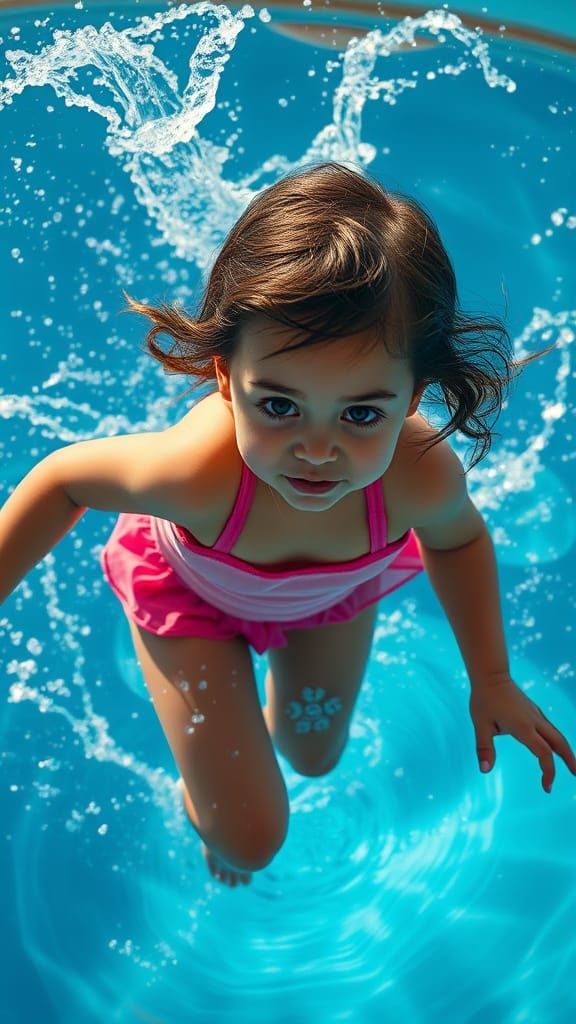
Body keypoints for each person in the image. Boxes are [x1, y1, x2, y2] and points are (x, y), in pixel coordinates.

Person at [2, 162, 575, 890]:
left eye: (362, 413)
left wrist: (491, 678)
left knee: (313, 755)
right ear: (222, 374)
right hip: (187, 600)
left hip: (327, 600)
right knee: (249, 842)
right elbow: (62, 479)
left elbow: (457, 538)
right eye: (277, 405)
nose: (315, 449)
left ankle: (246, 748)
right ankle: (209, 798)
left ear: (414, 397)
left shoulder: (418, 474)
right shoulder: (195, 474)